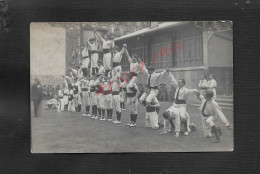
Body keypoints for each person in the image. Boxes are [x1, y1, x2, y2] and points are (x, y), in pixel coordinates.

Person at [161, 72, 199, 137]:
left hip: (182, 106)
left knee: (183, 116)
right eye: (178, 82)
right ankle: (167, 129)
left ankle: (186, 130)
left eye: (179, 82)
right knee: (166, 113)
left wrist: (197, 91)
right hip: (175, 105)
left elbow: (191, 91)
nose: (178, 83)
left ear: (183, 84)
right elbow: (173, 81)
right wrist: (169, 73)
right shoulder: (177, 88)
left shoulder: (185, 90)